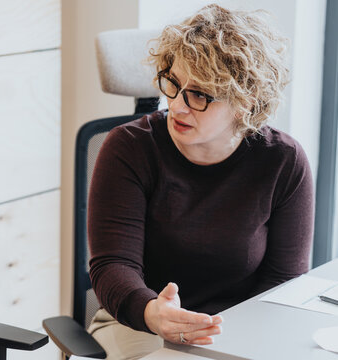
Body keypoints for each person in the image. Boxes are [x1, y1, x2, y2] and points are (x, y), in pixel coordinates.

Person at [87, 4, 314, 359]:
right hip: (137, 323)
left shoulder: (282, 161)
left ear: (245, 102)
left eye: (199, 95)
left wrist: (233, 333)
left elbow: (283, 282)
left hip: (237, 328)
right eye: (173, 84)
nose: (177, 106)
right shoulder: (128, 149)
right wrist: (154, 313)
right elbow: (112, 265)